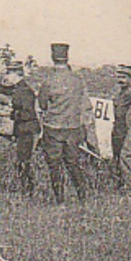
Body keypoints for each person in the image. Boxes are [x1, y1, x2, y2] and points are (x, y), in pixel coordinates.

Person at [35, 42, 89, 203]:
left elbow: (43, 105)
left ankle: (60, 200)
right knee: (73, 163)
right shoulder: (78, 80)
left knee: (54, 165)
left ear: (53, 58)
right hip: (73, 128)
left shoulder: (49, 81)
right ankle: (83, 197)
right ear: (67, 57)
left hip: (53, 128)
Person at [2, 61, 39, 195]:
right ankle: (26, 189)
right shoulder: (19, 89)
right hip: (23, 130)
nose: (6, 77)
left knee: (23, 162)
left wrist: (10, 114)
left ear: (16, 74)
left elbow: (28, 114)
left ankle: (28, 190)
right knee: (22, 161)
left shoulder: (24, 91)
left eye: (8, 73)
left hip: (28, 130)